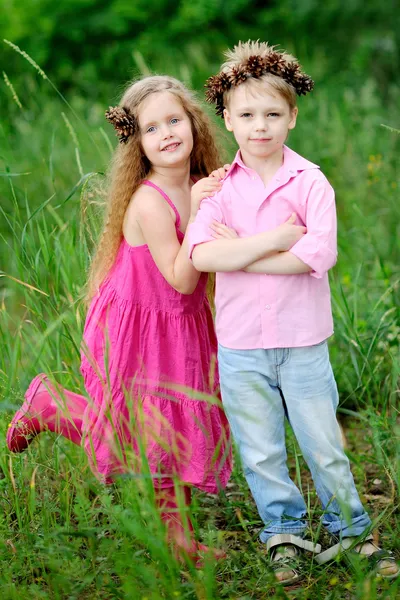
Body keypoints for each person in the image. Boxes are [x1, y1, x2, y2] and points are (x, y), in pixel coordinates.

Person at [188, 41, 399, 583]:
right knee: (260, 451)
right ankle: (283, 533)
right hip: (241, 345)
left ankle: (351, 532)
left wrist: (244, 252)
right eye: (248, 115)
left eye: (274, 114)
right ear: (229, 120)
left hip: (302, 342)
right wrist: (278, 241)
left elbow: (319, 255)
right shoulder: (215, 190)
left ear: (293, 117)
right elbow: (203, 255)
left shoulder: (311, 183)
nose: (262, 126)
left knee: (324, 446)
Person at [7, 75, 238, 563]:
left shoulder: (200, 185)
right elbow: (180, 277)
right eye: (152, 128)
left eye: (175, 120)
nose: (167, 133)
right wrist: (199, 214)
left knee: (174, 422)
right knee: (134, 428)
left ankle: (179, 539)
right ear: (138, 144)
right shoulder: (151, 201)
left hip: (181, 321)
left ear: (194, 123)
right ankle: (50, 404)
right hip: (137, 324)